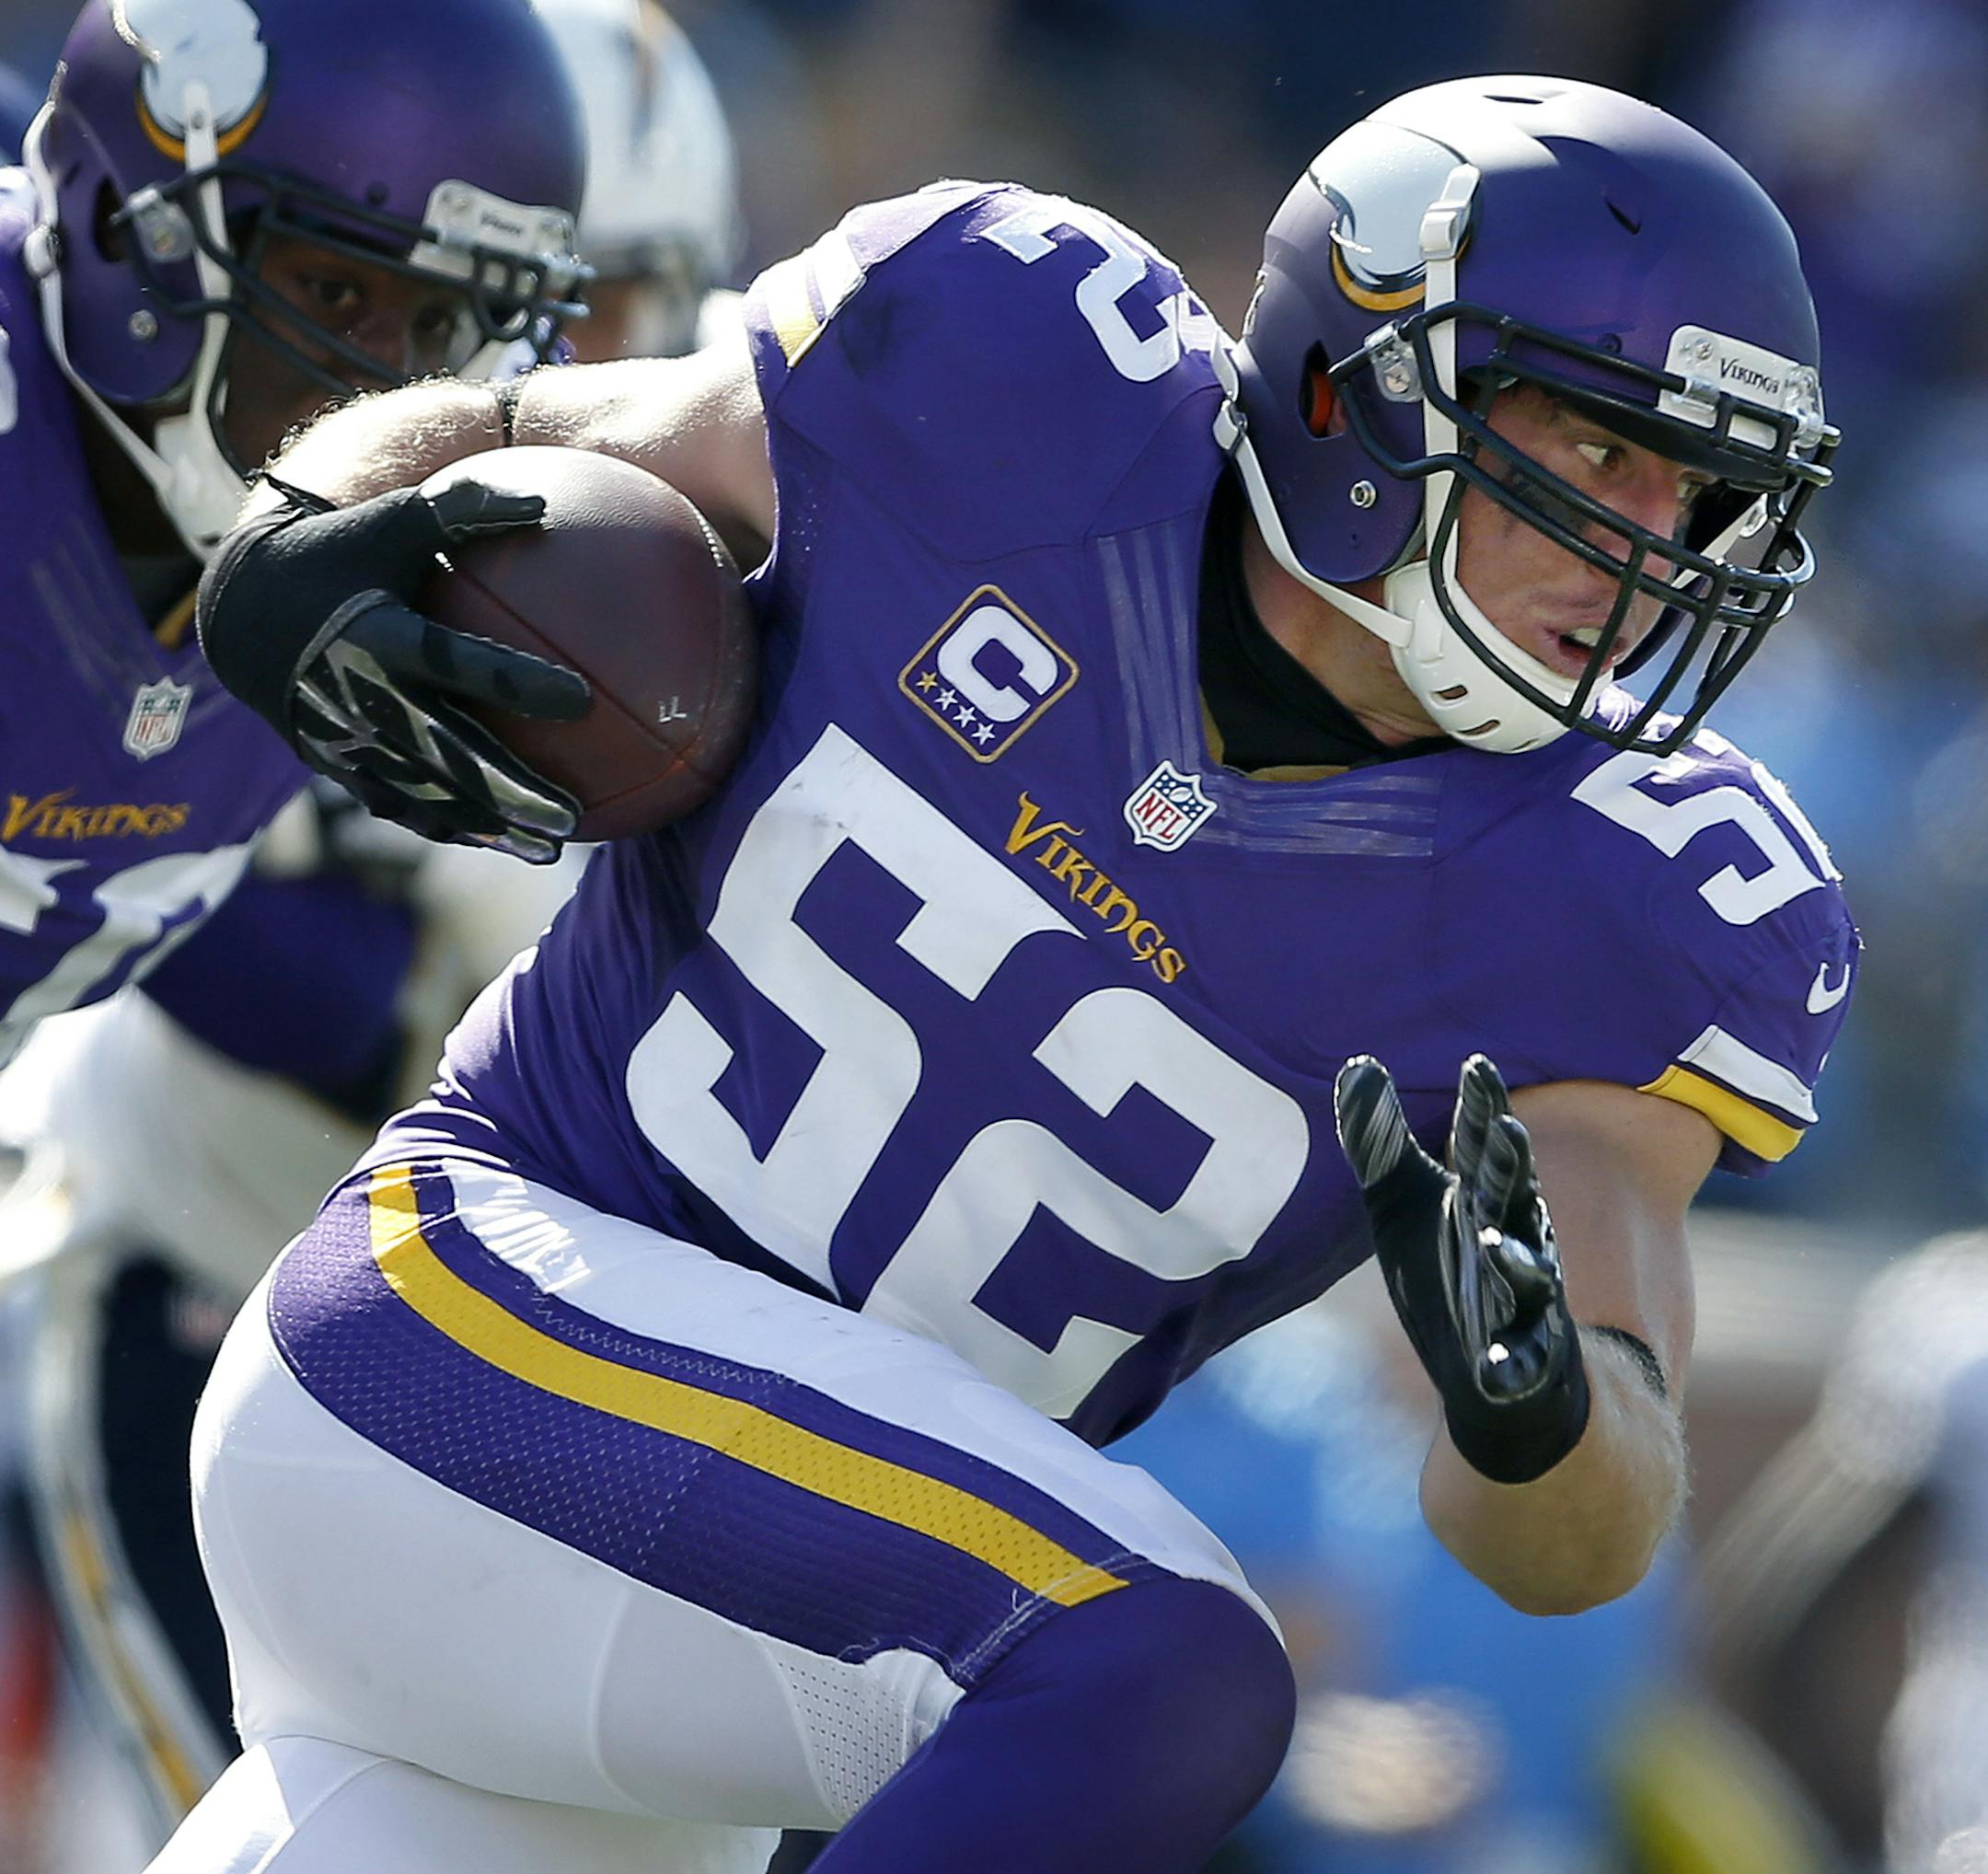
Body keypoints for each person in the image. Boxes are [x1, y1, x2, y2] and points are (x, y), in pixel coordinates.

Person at [164, 75, 1857, 1874]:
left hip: (695, 1683)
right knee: (1157, 1658)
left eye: (1702, 494)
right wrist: (300, 531)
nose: (1649, 550)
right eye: (1602, 450)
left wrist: (1539, 1422)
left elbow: (1576, 1537)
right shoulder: (1010, 362)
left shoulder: (1628, 891)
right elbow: (497, 433)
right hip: (445, 1347)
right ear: (1355, 384)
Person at [0, 1, 757, 1856]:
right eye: (342, 304)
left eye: (450, 331)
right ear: (136, 231)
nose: (384, 402)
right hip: (166, 1264)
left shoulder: (417, 570)